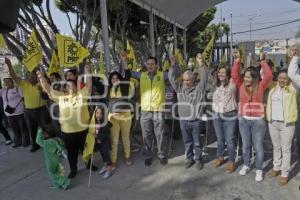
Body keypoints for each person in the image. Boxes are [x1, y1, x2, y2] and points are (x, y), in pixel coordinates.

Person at [37, 63, 94, 179]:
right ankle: (73, 169)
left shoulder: (82, 95)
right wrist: (41, 77)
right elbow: (48, 89)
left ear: (76, 87)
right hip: (68, 133)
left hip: (83, 130)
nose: (70, 87)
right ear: (65, 89)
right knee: (72, 154)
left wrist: (88, 72)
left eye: (72, 85)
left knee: (86, 150)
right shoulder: (61, 97)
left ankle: (89, 165)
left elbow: (88, 86)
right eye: (67, 86)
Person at [231, 49, 273, 182]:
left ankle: (259, 169)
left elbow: (269, 76)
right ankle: (247, 165)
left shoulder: (261, 86)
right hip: (244, 120)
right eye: (245, 76)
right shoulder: (241, 85)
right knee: (246, 145)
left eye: (249, 77)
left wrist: (262, 62)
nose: (246, 79)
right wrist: (237, 61)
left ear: (255, 77)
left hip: (258, 121)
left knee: (258, 147)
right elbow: (234, 75)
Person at [168, 53, 207, 170]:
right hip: (183, 121)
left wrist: (200, 64)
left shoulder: (199, 89)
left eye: (188, 80)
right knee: (187, 142)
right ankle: (189, 158)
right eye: (184, 80)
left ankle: (198, 159)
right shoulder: (179, 88)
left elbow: (204, 77)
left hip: (196, 121)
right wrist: (174, 65)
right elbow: (171, 77)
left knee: (197, 142)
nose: (186, 82)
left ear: (193, 79)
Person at [6, 57, 50, 152]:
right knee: (31, 129)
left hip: (41, 110)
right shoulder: (24, 84)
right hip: (29, 111)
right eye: (27, 75)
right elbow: (13, 76)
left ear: (35, 76)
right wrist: (9, 65)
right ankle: (35, 144)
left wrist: (38, 69)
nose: (28, 77)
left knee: (46, 128)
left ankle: (49, 144)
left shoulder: (40, 83)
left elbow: (46, 95)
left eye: (30, 75)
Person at [130, 56, 169, 166]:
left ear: (157, 65)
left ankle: (161, 155)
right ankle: (148, 155)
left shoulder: (162, 75)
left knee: (160, 134)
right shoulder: (141, 75)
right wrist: (123, 60)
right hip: (145, 111)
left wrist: (174, 64)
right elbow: (128, 72)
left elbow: (174, 73)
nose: (150, 66)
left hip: (158, 110)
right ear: (146, 65)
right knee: (146, 135)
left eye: (152, 64)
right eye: (148, 64)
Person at [266, 68, 297, 186]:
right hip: (273, 123)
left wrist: (295, 57)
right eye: (280, 78)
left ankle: (285, 173)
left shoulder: (293, 89)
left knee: (286, 149)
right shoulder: (273, 89)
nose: (282, 80)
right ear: (277, 78)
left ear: (288, 79)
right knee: (276, 147)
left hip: (287, 124)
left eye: (285, 78)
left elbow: (294, 75)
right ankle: (276, 167)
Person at [108, 51, 133, 170]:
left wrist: (124, 60)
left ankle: (128, 157)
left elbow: (127, 73)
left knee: (125, 138)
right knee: (114, 140)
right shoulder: (107, 88)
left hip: (125, 116)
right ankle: (113, 160)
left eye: (116, 77)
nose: (114, 79)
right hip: (112, 117)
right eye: (112, 78)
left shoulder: (124, 86)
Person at [212, 66, 238, 173]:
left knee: (230, 140)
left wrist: (236, 60)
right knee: (220, 139)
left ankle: (231, 161)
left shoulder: (232, 84)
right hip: (217, 115)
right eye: (219, 72)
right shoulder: (216, 85)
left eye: (223, 72)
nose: (221, 74)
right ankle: (220, 157)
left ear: (228, 74)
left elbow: (235, 74)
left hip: (230, 116)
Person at [83, 106, 113, 179]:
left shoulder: (106, 124)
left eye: (101, 114)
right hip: (98, 143)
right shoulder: (93, 122)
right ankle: (105, 166)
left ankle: (109, 169)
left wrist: (98, 136)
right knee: (102, 155)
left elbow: (107, 134)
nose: (99, 115)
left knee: (106, 156)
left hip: (105, 143)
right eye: (97, 113)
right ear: (95, 113)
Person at [36, 125, 70, 189]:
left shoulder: (46, 142)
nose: (42, 135)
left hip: (51, 160)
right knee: (60, 172)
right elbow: (62, 146)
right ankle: (57, 185)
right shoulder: (57, 139)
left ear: (47, 135)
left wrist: (39, 131)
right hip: (59, 159)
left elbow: (38, 141)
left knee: (52, 173)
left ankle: (64, 182)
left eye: (43, 133)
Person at [0, 76, 29, 148]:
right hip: (9, 114)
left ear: (12, 81)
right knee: (15, 129)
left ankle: (26, 142)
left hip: (20, 112)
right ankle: (18, 142)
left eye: (8, 81)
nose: (7, 83)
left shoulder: (18, 88)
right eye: (5, 82)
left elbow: (23, 98)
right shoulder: (3, 91)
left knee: (23, 128)